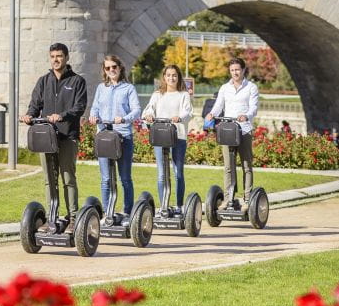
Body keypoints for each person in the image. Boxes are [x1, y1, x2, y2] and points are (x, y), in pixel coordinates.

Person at [21, 43, 87, 224]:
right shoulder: (44, 81)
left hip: (67, 136)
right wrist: (29, 116)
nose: (55, 60)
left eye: (59, 56)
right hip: (46, 137)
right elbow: (35, 104)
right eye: (52, 57)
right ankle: (52, 216)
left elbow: (79, 107)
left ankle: (73, 217)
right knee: (49, 179)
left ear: (66, 58)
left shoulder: (77, 81)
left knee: (68, 178)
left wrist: (62, 116)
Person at [88, 55, 141, 220]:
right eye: (108, 68)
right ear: (104, 70)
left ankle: (127, 212)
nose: (111, 70)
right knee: (105, 179)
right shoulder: (101, 88)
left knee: (124, 178)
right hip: (104, 136)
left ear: (120, 68)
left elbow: (137, 110)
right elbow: (95, 107)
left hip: (123, 136)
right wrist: (93, 116)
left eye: (114, 67)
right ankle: (107, 213)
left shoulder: (128, 88)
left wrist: (124, 118)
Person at [205, 57, 259, 213]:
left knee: (246, 165)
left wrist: (246, 115)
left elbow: (254, 108)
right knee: (228, 167)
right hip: (228, 130)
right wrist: (211, 114)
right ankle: (229, 199)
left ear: (243, 70)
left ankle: (248, 199)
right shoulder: (224, 88)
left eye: (237, 69)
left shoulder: (251, 87)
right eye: (232, 70)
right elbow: (218, 106)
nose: (235, 72)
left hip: (244, 129)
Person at [143, 65, 193, 215]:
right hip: (160, 137)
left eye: (174, 75)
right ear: (164, 77)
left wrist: (180, 117)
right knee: (161, 173)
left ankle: (179, 206)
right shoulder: (158, 94)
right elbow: (148, 109)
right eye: (168, 75)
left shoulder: (183, 94)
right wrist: (149, 115)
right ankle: (163, 206)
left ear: (178, 77)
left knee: (178, 172)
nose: (171, 78)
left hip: (178, 136)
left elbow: (188, 112)